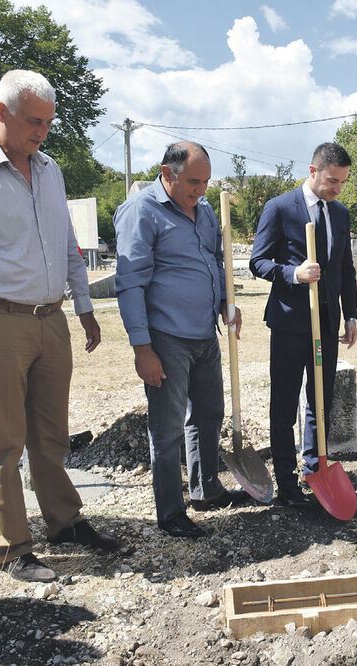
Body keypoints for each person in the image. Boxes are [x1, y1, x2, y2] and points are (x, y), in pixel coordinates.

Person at [0, 70, 119, 582]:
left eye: (49, 122)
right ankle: (12, 547)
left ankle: (65, 522)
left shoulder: (50, 170)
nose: (43, 132)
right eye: (34, 121)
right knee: (1, 442)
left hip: (50, 320)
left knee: (51, 435)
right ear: (0, 112)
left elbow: (68, 246)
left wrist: (84, 307)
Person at [114, 141, 245, 539]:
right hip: (166, 338)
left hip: (205, 333)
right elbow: (130, 283)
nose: (200, 190)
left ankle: (206, 489)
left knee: (208, 414)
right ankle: (170, 512)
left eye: (206, 181)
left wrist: (225, 301)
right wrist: (142, 349)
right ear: (166, 172)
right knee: (167, 428)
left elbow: (214, 261)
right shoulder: (142, 212)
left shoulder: (204, 212)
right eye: (193, 181)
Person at [249, 143, 357, 508]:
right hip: (290, 324)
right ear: (313, 171)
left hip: (325, 325)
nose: (336, 189)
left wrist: (351, 314)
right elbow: (258, 262)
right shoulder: (279, 208)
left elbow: (344, 270)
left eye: (342, 182)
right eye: (331, 181)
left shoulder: (339, 214)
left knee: (320, 402)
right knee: (283, 405)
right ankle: (286, 482)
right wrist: (293, 273)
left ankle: (316, 468)